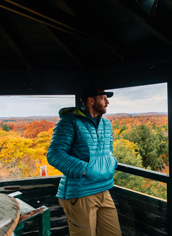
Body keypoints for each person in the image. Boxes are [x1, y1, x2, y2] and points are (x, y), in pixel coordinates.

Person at [47, 86, 122, 236]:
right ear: (91, 100)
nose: (107, 102)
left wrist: (111, 162)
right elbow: (54, 154)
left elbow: (108, 150)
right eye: (103, 98)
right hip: (80, 192)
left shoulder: (106, 124)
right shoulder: (69, 122)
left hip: (104, 189)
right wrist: (86, 169)